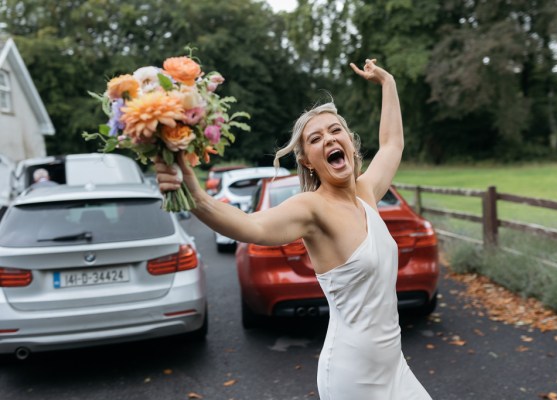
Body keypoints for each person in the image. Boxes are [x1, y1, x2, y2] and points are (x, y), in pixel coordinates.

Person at [155, 59, 432, 400]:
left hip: (394, 366)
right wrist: (196, 197)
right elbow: (251, 226)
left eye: (335, 130)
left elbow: (391, 145)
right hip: (355, 376)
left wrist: (388, 82)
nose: (328, 139)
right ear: (306, 160)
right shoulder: (311, 208)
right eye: (315, 139)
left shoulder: (366, 194)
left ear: (349, 140)